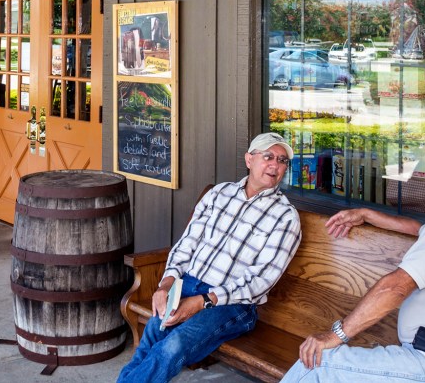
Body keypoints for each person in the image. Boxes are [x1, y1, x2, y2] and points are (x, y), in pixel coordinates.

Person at [281, 144, 425, 383]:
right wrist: (367, 215)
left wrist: (335, 335)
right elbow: (418, 229)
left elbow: (396, 288)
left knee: (319, 363)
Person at [117, 132, 303, 383]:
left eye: (282, 161)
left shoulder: (285, 217)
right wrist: (166, 284)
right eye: (268, 156)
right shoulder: (219, 194)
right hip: (188, 285)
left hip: (233, 304)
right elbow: (187, 244)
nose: (275, 165)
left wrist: (201, 301)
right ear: (249, 159)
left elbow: (260, 281)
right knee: (152, 335)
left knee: (173, 346)